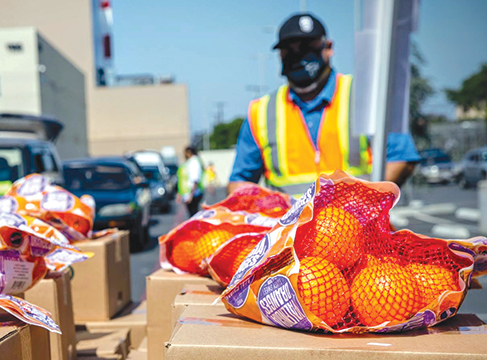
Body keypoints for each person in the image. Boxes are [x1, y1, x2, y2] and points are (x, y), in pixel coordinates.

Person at [227, 12, 420, 196]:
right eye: (289, 50)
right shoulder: (261, 112)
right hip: (291, 230)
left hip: (358, 228)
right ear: (280, 55)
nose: (298, 55)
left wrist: (362, 208)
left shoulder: (365, 95)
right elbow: (240, 182)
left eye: (306, 47)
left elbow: (400, 159)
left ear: (328, 47)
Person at [177, 146, 205, 217]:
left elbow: (195, 179)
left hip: (193, 193)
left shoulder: (194, 162)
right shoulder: (190, 162)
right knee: (192, 214)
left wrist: (191, 195)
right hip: (189, 193)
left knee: (194, 214)